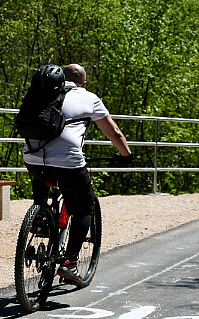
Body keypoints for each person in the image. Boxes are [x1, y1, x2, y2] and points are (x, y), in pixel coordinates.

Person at [22, 63, 132, 284]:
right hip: (68, 162)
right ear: (84, 82)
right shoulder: (88, 98)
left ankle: (40, 216)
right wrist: (126, 155)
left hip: (31, 158)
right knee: (84, 206)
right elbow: (114, 133)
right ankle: (70, 263)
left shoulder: (43, 92)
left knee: (43, 172)